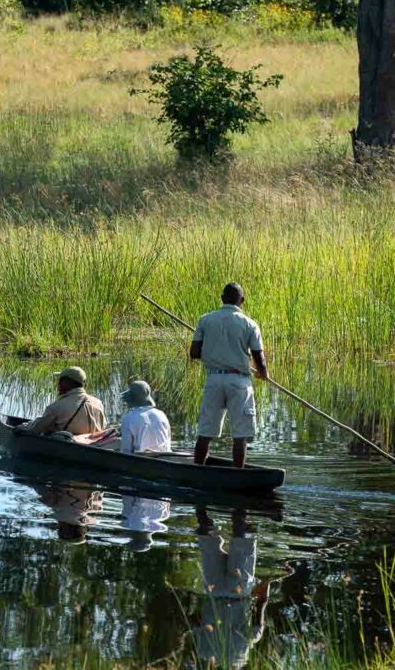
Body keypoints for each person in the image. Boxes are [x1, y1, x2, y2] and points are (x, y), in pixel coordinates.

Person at [189, 283, 268, 468]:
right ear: (242, 301)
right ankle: (238, 474)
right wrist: (263, 373)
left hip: (213, 379)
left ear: (222, 298)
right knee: (240, 436)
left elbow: (194, 353)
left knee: (205, 432)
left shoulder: (205, 320)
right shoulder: (250, 324)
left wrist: (212, 353)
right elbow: (259, 356)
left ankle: (197, 471)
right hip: (239, 381)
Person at [191, 505, 269, 669]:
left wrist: (264, 594)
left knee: (241, 537)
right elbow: (195, 621)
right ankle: (200, 505)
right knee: (208, 542)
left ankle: (241, 503)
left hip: (238, 592)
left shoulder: (241, 655)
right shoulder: (204, 652)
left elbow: (257, 623)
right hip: (214, 592)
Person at [16, 366, 106, 437]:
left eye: (61, 381)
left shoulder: (57, 407)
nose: (58, 384)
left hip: (70, 447)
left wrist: (20, 427)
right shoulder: (98, 403)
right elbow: (104, 426)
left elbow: (36, 429)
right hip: (95, 445)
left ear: (68, 383)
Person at [119, 380, 172, 454]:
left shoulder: (128, 419)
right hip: (165, 457)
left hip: (141, 458)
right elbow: (168, 441)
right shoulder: (161, 414)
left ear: (131, 399)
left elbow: (126, 451)